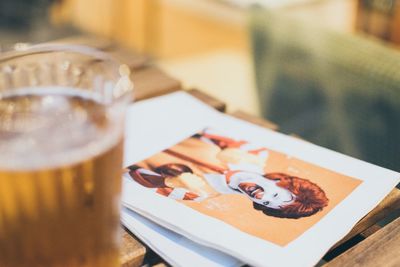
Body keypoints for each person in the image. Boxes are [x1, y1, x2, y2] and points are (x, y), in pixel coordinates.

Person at [127, 163, 329, 219]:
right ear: (281, 181)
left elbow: (130, 176)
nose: (260, 196)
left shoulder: (198, 193)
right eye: (274, 195)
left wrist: (168, 180)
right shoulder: (247, 153)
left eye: (266, 203)